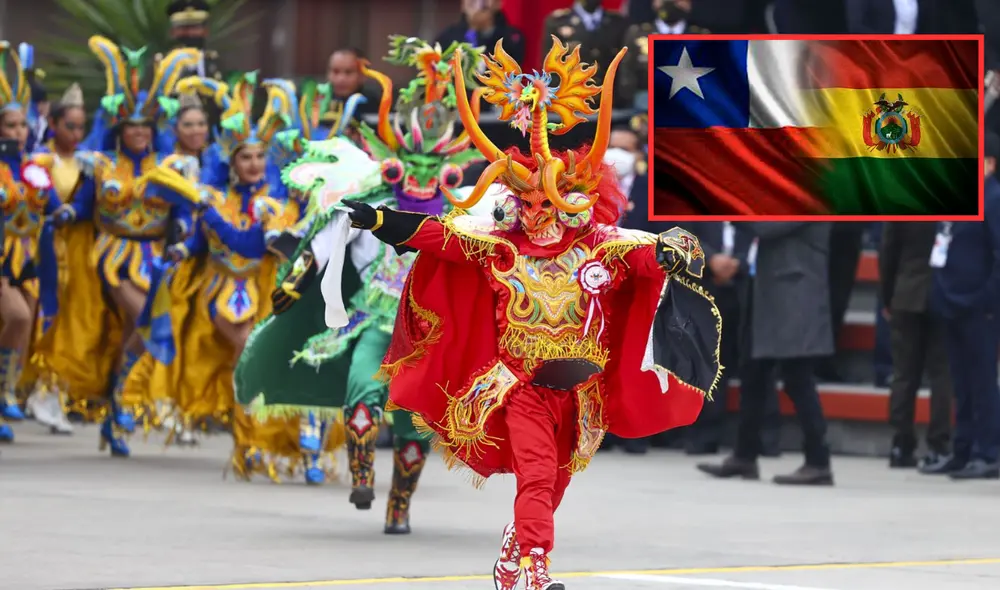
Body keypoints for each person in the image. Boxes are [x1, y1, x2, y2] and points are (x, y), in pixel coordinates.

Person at [343, 38, 720, 590]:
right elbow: (440, 236)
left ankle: (510, 558)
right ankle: (534, 572)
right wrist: (379, 219)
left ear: (572, 198)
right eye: (528, 203)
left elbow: (653, 251)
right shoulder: (499, 246)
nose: (538, 212)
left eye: (549, 202)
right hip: (519, 383)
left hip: (581, 393)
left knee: (553, 484)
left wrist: (674, 249)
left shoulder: (601, 244)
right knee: (538, 477)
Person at [237, 36, 485, 525]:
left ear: (448, 171)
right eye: (410, 167)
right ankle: (363, 476)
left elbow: (491, 256)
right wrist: (293, 284)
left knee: (417, 423)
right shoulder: (372, 203)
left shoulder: (464, 214)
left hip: (431, 328)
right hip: (376, 319)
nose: (419, 178)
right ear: (392, 161)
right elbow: (326, 242)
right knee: (361, 392)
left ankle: (400, 504)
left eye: (431, 169)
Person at [138, 74, 327, 481]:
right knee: (247, 351)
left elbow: (251, 248)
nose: (254, 164)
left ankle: (288, 442)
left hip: (266, 292)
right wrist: (183, 246)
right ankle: (249, 441)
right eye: (245, 157)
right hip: (220, 289)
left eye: (260, 157)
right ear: (232, 162)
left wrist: (208, 215)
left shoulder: (272, 205)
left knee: (273, 360)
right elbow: (202, 243)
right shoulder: (213, 195)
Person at [65, 37, 202, 457]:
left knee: (133, 332)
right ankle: (123, 402)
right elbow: (82, 205)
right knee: (144, 317)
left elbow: (184, 211)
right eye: (131, 126)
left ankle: (114, 413)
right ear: (120, 128)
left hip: (155, 256)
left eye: (145, 125)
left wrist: (181, 236)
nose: (139, 132)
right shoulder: (100, 163)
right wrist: (64, 214)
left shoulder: (172, 167)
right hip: (112, 255)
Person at [697, 222, 835, 485]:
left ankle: (818, 460)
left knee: (798, 378)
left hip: (795, 293)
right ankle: (744, 456)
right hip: (765, 289)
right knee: (753, 374)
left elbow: (767, 225)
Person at [924, 132, 1000, 480]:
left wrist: (985, 298)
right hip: (950, 301)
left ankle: (989, 451)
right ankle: (963, 449)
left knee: (983, 382)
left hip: (978, 306)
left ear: (988, 163)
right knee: (962, 383)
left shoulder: (994, 199)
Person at [0, 41, 61, 441]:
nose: (19, 132)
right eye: (10, 126)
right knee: (18, 317)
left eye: (23, 126)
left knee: (25, 326)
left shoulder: (34, 167)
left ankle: (5, 393)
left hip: (25, 260)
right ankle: (5, 392)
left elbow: (55, 204)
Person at [27, 83, 91, 436]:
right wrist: (58, 209)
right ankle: (36, 385)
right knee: (45, 314)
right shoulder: (41, 159)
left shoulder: (87, 159)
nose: (76, 134)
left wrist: (75, 211)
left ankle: (56, 391)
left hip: (79, 249)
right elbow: (43, 190)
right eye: (70, 126)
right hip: (47, 246)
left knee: (73, 320)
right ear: (53, 124)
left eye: (81, 127)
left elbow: (88, 198)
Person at [879, 222, 953, 469]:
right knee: (941, 375)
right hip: (945, 293)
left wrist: (888, 296)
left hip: (906, 292)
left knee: (904, 375)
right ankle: (939, 444)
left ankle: (901, 443)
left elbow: (888, 251)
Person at [618, 0, 711, 109]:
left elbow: (709, 79)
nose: (670, 3)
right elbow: (626, 74)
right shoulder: (637, 34)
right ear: (653, 3)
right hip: (645, 103)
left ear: (689, 4)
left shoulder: (701, 36)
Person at [543, 0, 629, 86]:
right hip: (572, 93)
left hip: (609, 94)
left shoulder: (618, 22)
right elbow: (551, 68)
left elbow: (625, 66)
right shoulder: (557, 22)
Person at [436, 0, 526, 64]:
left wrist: (480, 32)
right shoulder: (448, 36)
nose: (478, 3)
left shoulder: (512, 37)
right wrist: (473, 29)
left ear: (498, 3)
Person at [325, 48, 377, 121]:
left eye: (348, 72)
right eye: (335, 71)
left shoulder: (375, 105)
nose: (341, 79)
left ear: (363, 75)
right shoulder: (317, 101)